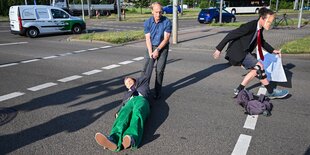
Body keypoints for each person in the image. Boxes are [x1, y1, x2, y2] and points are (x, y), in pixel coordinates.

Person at [213, 7, 289, 99]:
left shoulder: (260, 28)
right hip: (237, 52)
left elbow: (262, 41)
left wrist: (273, 51)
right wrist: (219, 49)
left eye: (271, 22)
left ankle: (239, 90)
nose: (270, 24)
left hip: (244, 52)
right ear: (262, 18)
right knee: (259, 66)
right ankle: (271, 91)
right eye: (269, 22)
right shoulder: (250, 26)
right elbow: (231, 34)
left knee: (256, 70)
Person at [95, 59, 155, 152]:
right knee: (123, 115)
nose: (128, 82)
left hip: (142, 100)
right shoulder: (127, 94)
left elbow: (148, 71)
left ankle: (132, 137)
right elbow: (122, 104)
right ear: (126, 87)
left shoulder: (143, 83)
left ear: (134, 80)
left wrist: (152, 59)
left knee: (137, 113)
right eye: (126, 83)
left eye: (129, 80)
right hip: (130, 101)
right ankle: (113, 139)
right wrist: (118, 112)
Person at [142, 2, 172, 100]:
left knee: (159, 70)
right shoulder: (147, 22)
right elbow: (148, 39)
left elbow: (166, 38)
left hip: (162, 48)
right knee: (146, 70)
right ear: (152, 12)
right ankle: (143, 91)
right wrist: (151, 52)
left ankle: (157, 92)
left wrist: (157, 50)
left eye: (160, 12)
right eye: (156, 12)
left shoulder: (167, 22)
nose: (158, 14)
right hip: (151, 46)